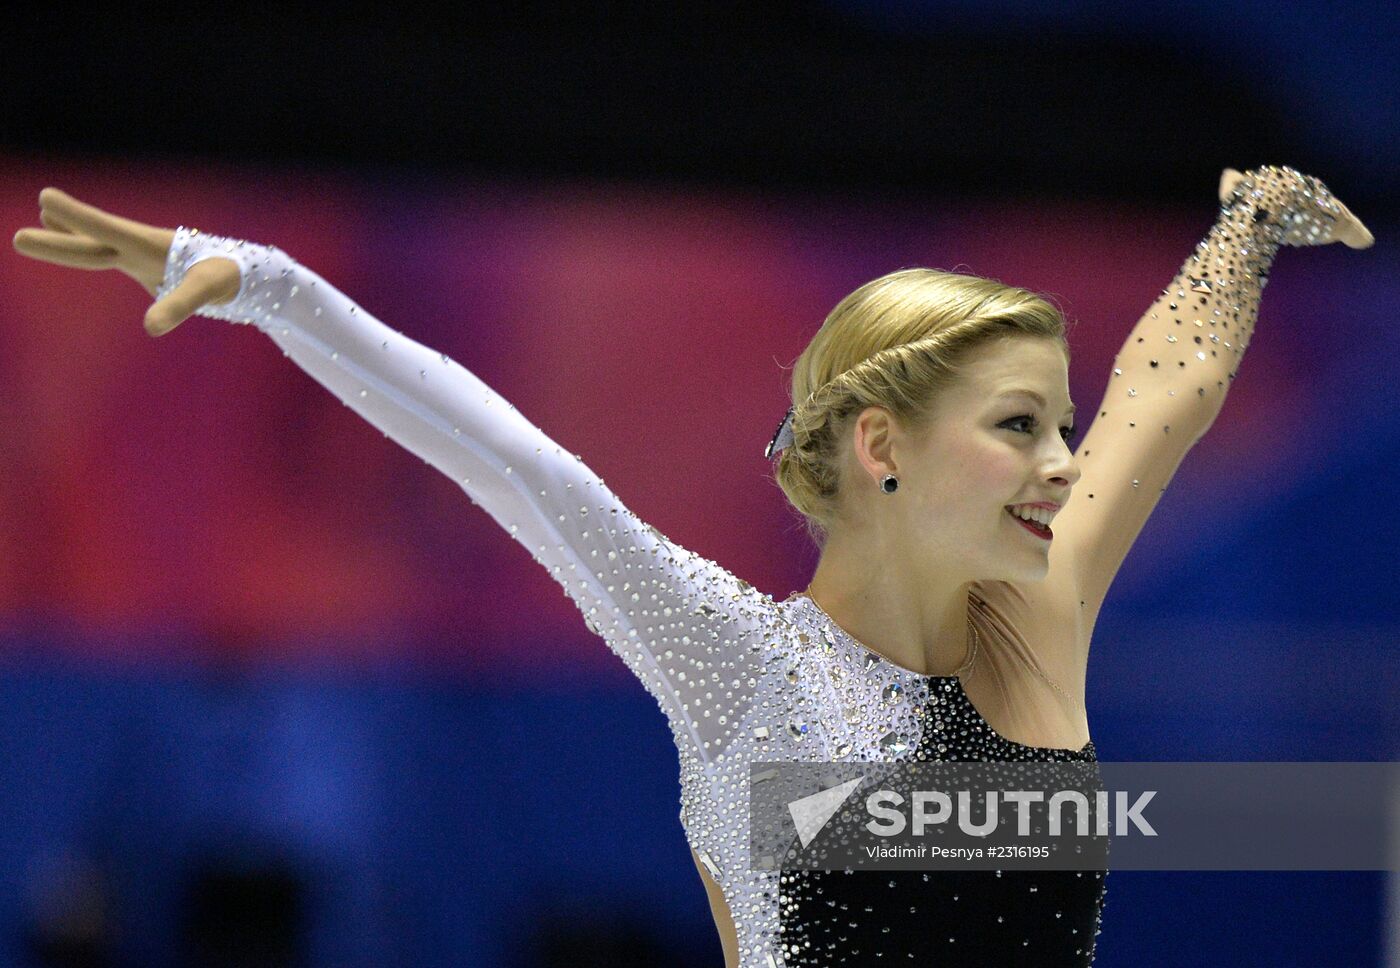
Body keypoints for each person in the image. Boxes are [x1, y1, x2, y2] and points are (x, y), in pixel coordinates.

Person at [13, 165, 1373, 967]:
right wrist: (258, 280)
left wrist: (1242, 231)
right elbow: (512, 464)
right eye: (1020, 428)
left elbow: (1165, 395)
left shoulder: (1037, 621)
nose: (1067, 465)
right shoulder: (736, 661)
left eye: (1059, 428)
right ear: (884, 445)